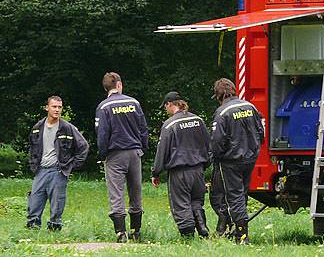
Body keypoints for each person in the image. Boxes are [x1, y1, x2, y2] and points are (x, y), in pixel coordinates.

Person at [95, 72, 148, 243]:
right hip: (134, 152)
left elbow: (102, 134)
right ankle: (136, 230)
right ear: (119, 84)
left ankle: (121, 233)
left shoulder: (103, 107)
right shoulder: (134, 103)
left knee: (116, 193)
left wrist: (103, 154)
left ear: (106, 87)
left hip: (115, 154)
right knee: (135, 191)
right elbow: (143, 128)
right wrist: (143, 148)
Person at [210, 78, 264, 244]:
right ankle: (237, 230)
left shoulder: (222, 113)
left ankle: (241, 236)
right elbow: (261, 132)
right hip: (250, 158)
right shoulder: (251, 107)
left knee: (234, 196)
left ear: (219, 95)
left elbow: (217, 141)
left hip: (230, 161)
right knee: (242, 194)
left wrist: (217, 157)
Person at [151, 91, 211, 238]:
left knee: (181, 204)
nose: (165, 110)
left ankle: (188, 236)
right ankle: (203, 229)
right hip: (198, 170)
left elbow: (162, 151)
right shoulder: (198, 120)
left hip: (179, 172)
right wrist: (205, 165)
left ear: (169, 104)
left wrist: (156, 172)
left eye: (165, 107)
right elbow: (208, 145)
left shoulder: (170, 125)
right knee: (197, 201)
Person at [26, 96, 89, 230]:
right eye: (54, 107)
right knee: (34, 201)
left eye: (59, 107)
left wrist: (71, 165)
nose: (57, 110)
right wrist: (33, 165)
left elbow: (83, 146)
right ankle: (32, 228)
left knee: (57, 202)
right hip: (40, 170)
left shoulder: (67, 128)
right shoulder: (37, 127)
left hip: (58, 170)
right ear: (47, 108)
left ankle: (54, 228)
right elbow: (32, 147)